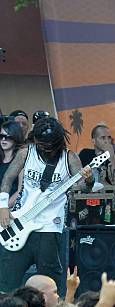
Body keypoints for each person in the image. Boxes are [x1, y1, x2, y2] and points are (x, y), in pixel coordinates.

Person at [0, 117, 93, 292]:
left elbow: (80, 187)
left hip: (50, 227)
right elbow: (7, 179)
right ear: (36, 140)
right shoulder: (26, 153)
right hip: (20, 222)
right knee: (5, 280)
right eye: (42, 144)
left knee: (49, 284)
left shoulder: (69, 158)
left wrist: (89, 181)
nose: (46, 148)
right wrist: (3, 207)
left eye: (50, 145)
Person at [0, 121, 25, 208]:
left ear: (15, 137)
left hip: (11, 210)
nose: (3, 140)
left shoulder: (21, 159)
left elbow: (21, 190)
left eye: (8, 137)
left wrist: (3, 208)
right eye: (1, 136)